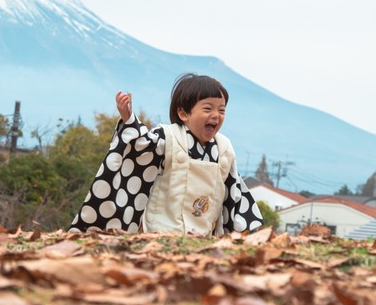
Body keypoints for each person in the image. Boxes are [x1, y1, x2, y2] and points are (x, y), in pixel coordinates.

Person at [70, 73, 263, 235]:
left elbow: (233, 193)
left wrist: (239, 231)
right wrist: (129, 120)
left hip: (204, 234)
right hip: (160, 231)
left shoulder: (224, 147)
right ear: (183, 114)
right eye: (208, 108)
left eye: (221, 110)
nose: (216, 115)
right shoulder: (167, 137)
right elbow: (140, 146)